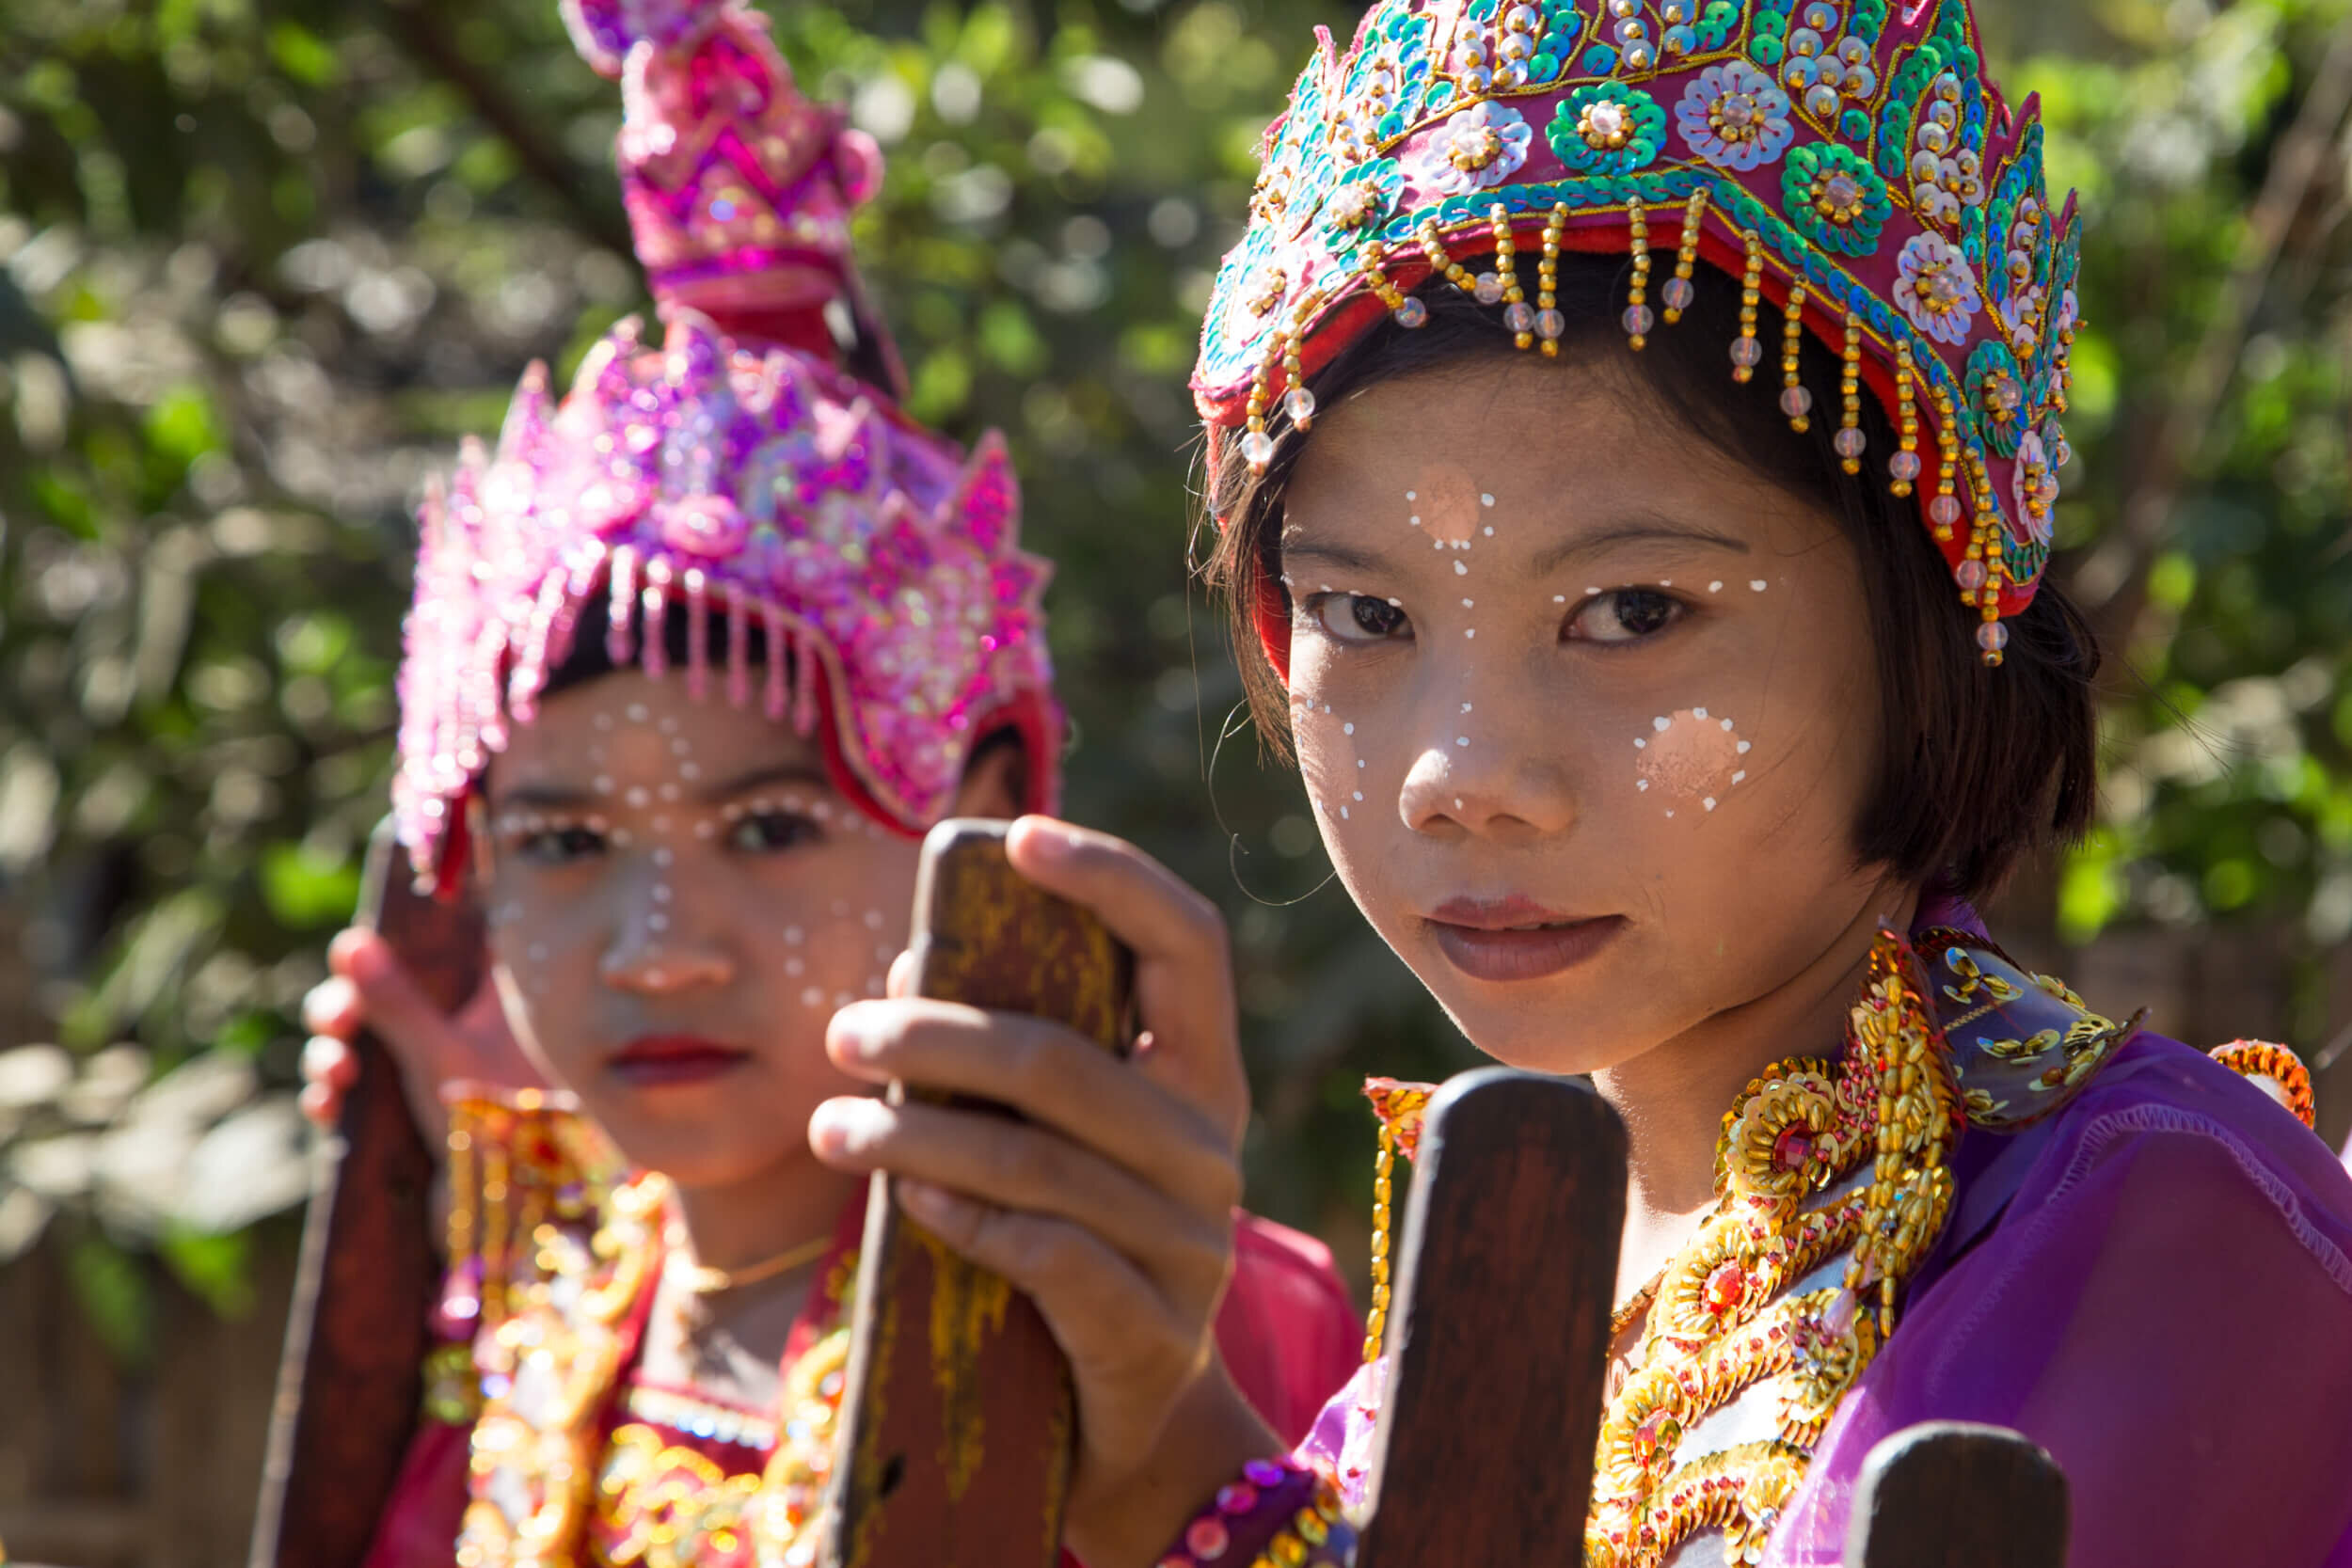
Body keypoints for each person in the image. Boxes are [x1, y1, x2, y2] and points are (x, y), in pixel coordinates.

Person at [803, 2, 2352, 1564]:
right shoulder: (1488, 1299)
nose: (1461, 778)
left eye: (1629, 615)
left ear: (1931, 623)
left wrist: (1189, 1466)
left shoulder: (2165, 1238)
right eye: (1364, 615)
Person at [294, 3, 1360, 1563]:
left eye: (774, 825)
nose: (659, 945)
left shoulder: (1161, 1308)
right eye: (564, 843)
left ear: (983, 820)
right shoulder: (540, 1311)